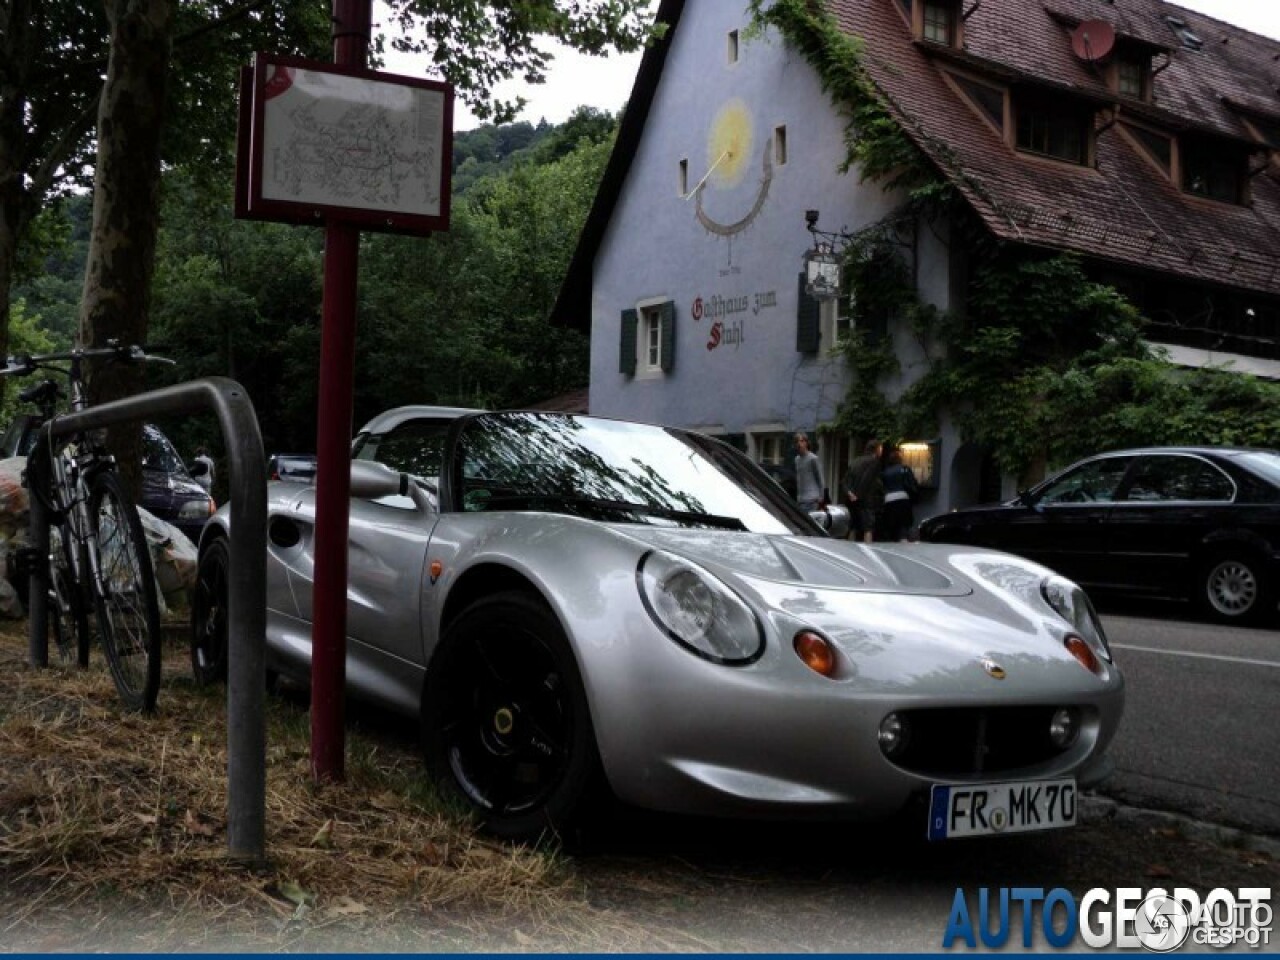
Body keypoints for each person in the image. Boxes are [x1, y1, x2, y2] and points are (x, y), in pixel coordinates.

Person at [843, 439, 884, 542]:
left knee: (852, 527)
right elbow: (867, 479)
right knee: (868, 528)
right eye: (881, 448)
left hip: (852, 501)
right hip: (866, 501)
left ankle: (849, 552)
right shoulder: (874, 462)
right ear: (877, 449)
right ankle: (867, 552)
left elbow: (845, 481)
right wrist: (858, 496)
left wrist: (850, 493)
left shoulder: (855, 461)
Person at [878, 445, 919, 542]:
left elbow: (881, 485)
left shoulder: (885, 472)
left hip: (889, 499)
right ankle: (903, 541)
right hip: (903, 498)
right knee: (904, 525)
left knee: (891, 526)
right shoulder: (904, 469)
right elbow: (912, 483)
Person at [793, 432, 824, 512]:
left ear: (806, 443)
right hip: (800, 500)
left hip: (812, 500)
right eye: (797, 441)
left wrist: (821, 497)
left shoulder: (813, 458)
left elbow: (820, 479)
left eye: (802, 441)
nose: (799, 444)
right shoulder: (797, 459)